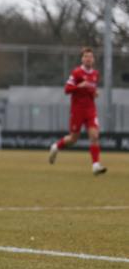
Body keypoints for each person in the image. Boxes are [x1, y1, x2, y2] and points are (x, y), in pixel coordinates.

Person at [48, 47, 107, 175]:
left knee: (94, 135)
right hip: (77, 110)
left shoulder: (95, 74)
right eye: (86, 56)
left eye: (90, 57)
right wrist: (79, 86)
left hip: (90, 110)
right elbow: (67, 89)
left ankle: (96, 165)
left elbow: (91, 89)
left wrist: (94, 93)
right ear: (82, 59)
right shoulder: (76, 73)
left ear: (93, 59)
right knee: (73, 139)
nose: (88, 59)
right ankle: (56, 146)